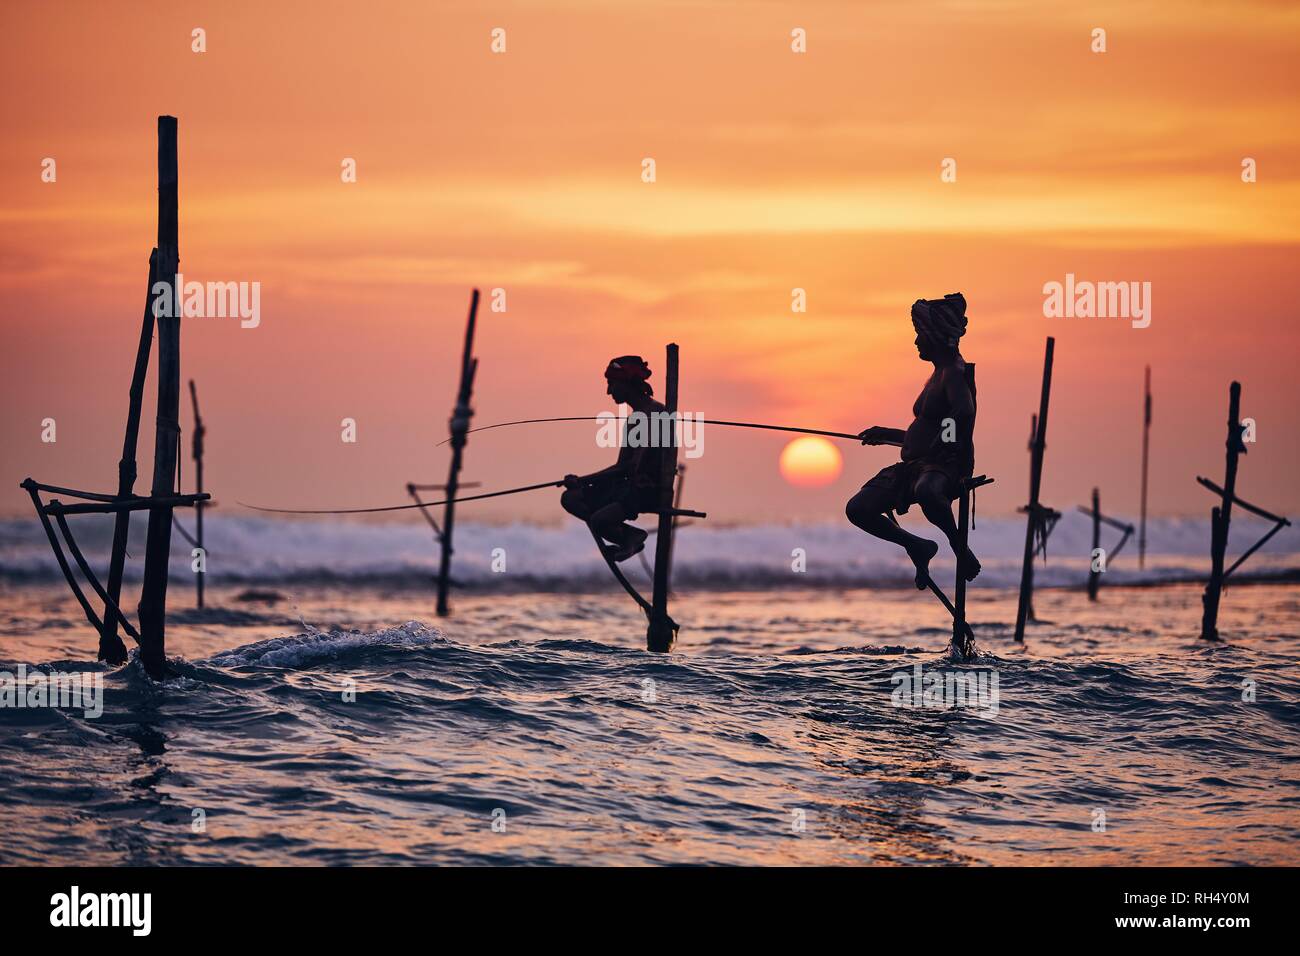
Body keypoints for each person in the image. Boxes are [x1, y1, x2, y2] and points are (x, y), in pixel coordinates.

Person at [846, 294, 981, 588]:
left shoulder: (955, 373)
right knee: (857, 508)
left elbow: (964, 411)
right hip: (916, 465)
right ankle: (917, 545)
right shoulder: (936, 374)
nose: (916, 342)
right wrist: (888, 435)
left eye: (920, 335)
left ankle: (959, 547)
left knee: (929, 491)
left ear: (935, 336)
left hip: (946, 466)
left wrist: (942, 443)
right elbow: (924, 433)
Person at [561, 356, 666, 561]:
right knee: (571, 498)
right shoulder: (634, 419)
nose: (608, 391)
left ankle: (631, 538)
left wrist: (585, 480)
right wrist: (581, 481)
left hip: (646, 490)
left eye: (611, 384)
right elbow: (622, 466)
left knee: (599, 521)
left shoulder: (657, 413)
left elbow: (633, 467)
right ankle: (628, 536)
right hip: (627, 486)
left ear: (626, 382)